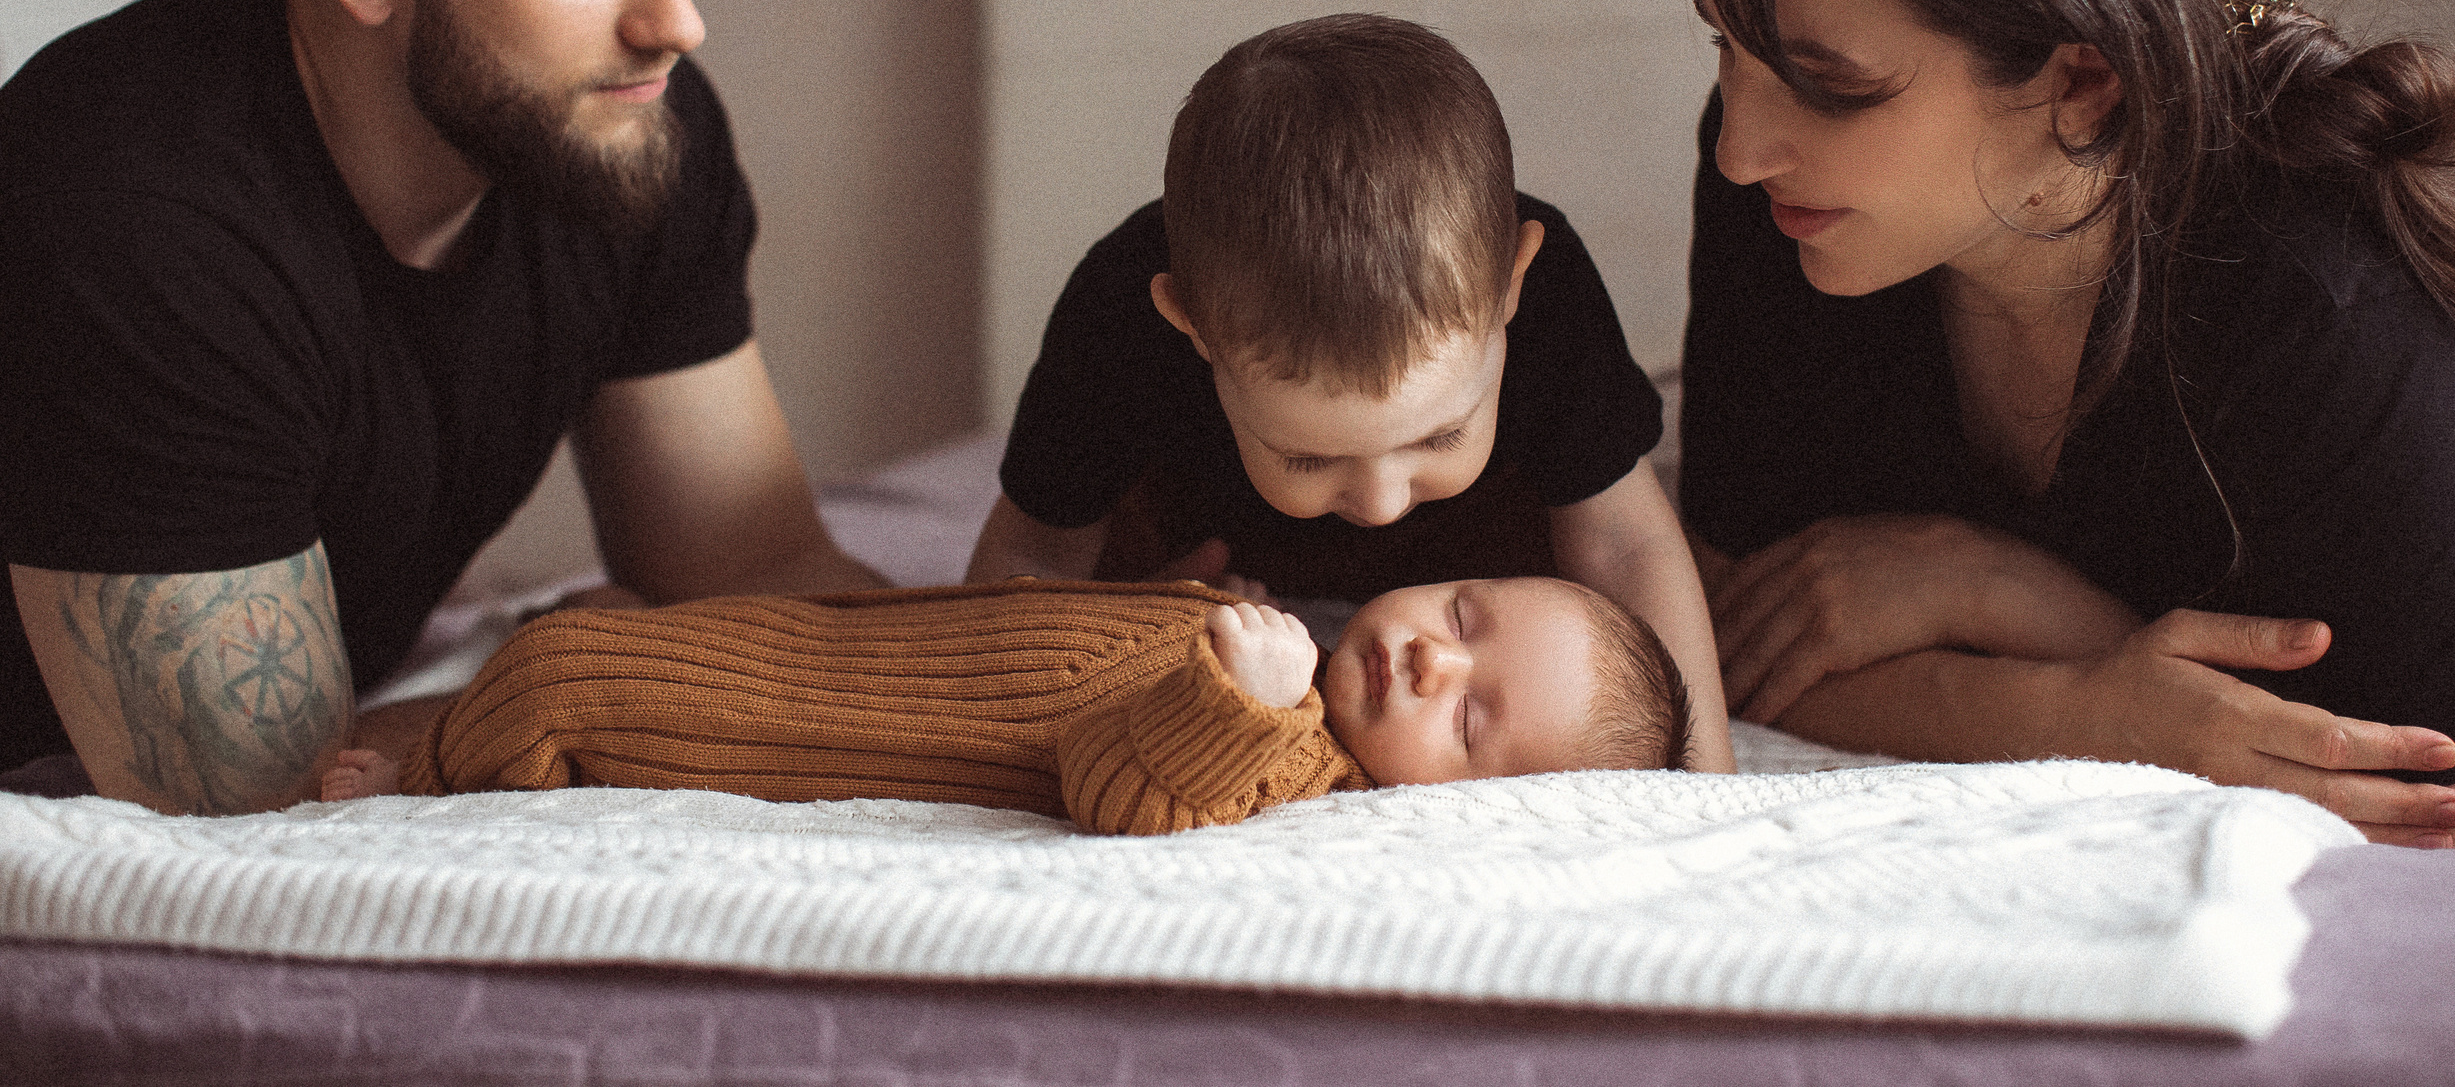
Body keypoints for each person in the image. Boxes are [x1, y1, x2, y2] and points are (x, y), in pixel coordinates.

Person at [0, 0, 887, 816]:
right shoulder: (135, 212)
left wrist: (1073, 649)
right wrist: (566, 674)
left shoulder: (617, 123)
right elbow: (253, 808)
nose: (675, 20)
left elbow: (755, 570)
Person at [1667, 0, 2455, 846]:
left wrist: (1999, 599)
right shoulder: (1791, 202)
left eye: (1832, 87)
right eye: (1727, 50)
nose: (1740, 147)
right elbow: (1727, 640)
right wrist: (2089, 708)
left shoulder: (2343, 315)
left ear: (2083, 83)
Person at [964, 14, 1732, 771]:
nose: (1381, 502)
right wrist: (1119, 628)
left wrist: (1709, 787)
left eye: (1439, 436)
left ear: (1510, 290)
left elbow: (1626, 544)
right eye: (1307, 457)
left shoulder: (1553, 300)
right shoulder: (1118, 316)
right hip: (1214, 571)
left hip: (1487, 560)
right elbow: (1030, 559)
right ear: (1194, 328)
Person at [318, 573, 1692, 835]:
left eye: (1472, 722)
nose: (1435, 663)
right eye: (1463, 616)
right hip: (859, 644)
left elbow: (1128, 791)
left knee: (564, 673)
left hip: (820, 718)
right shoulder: (1297, 657)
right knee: (639, 631)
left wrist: (1232, 697)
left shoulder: (1285, 756)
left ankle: (425, 777)